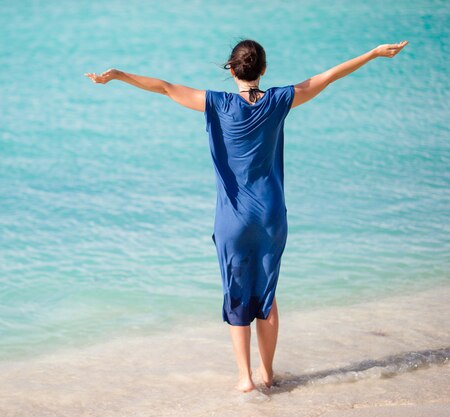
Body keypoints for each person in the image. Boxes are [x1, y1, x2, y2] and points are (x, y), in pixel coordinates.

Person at [84, 38, 408, 394]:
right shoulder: (279, 100)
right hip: (270, 214)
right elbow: (326, 77)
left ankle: (246, 379)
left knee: (236, 294)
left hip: (232, 218)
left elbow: (163, 87)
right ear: (263, 70)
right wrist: (374, 53)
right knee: (266, 294)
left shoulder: (217, 103)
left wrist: (118, 75)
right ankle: (268, 374)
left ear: (231, 70)